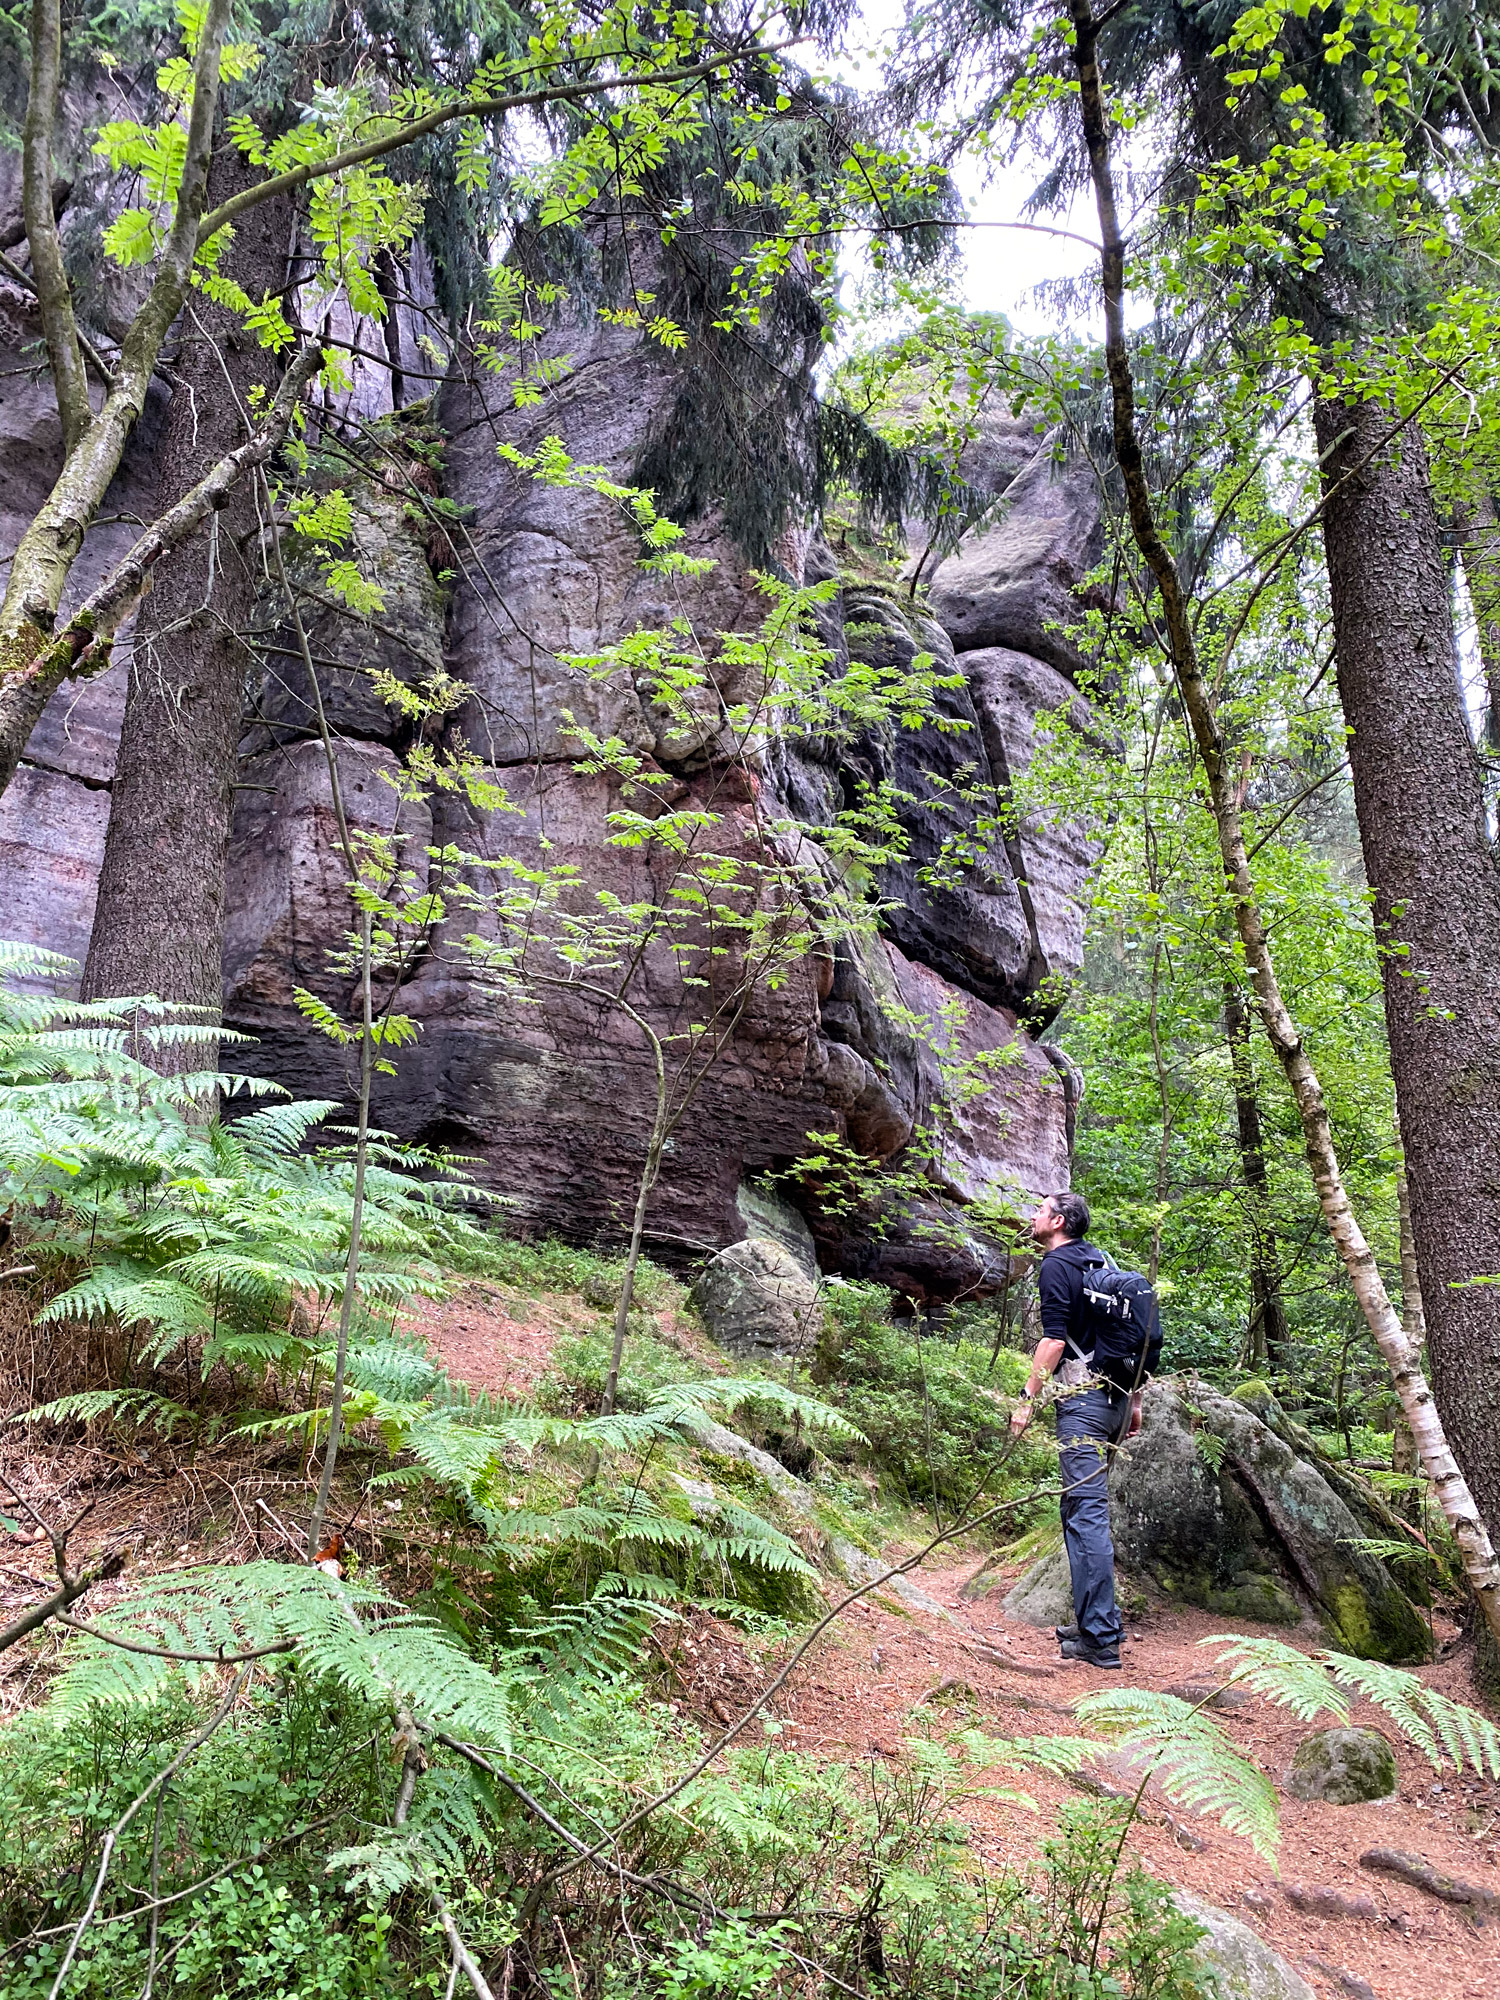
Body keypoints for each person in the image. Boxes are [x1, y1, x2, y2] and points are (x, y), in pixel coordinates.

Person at [1008, 1190, 1142, 1670]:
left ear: (1058, 1221)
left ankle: (1102, 1641)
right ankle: (1093, 1620)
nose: (1033, 1216)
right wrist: (1136, 1401)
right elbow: (1131, 1335)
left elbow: (1053, 1340)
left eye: (1039, 1210)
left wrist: (1026, 1400)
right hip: (1118, 1401)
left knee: (1086, 1515)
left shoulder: (1057, 1265)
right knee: (1078, 1508)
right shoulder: (1101, 1261)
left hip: (1082, 1403)